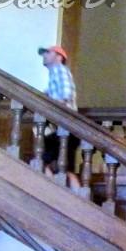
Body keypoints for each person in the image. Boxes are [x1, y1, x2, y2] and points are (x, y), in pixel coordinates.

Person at [38, 44, 80, 184]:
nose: (44, 56)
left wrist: (51, 104)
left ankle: (52, 188)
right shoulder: (54, 74)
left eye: (48, 53)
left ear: (59, 57)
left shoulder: (60, 70)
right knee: (63, 168)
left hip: (66, 126)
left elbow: (65, 95)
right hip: (64, 127)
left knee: (45, 159)